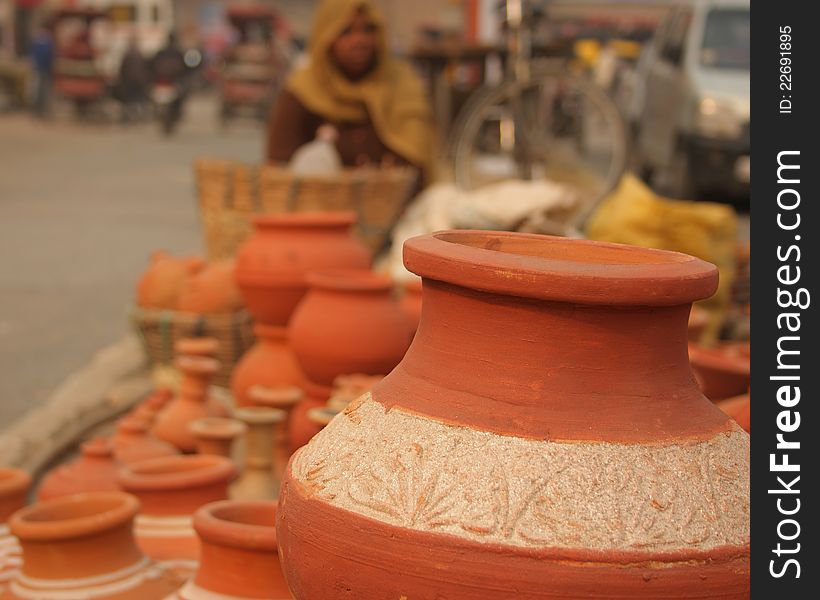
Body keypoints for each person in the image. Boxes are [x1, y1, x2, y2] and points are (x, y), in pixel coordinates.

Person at [266, 0, 435, 182]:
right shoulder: (303, 91)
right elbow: (279, 166)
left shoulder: (401, 85)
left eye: (368, 30)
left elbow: (418, 160)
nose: (360, 41)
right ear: (326, 37)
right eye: (346, 31)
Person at [117, 37, 150, 122]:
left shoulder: (127, 55)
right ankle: (140, 113)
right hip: (139, 81)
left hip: (130, 82)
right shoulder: (140, 54)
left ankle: (129, 114)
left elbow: (122, 69)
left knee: (128, 97)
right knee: (139, 98)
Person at [30, 25, 54, 118]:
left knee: (44, 91)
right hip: (39, 69)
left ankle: (43, 110)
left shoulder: (47, 42)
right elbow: (34, 56)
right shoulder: (39, 42)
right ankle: (38, 110)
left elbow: (50, 56)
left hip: (46, 70)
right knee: (37, 90)